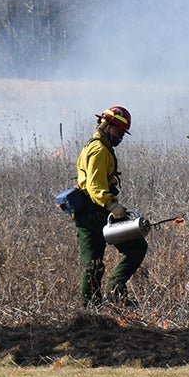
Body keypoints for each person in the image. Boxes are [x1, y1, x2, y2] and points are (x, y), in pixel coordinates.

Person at [74, 105, 147, 307]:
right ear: (106, 126)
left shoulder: (93, 146)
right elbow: (96, 188)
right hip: (98, 211)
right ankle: (115, 292)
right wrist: (114, 208)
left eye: (123, 133)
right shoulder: (99, 151)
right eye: (119, 131)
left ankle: (91, 308)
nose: (121, 137)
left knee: (93, 264)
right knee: (137, 247)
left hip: (84, 214)